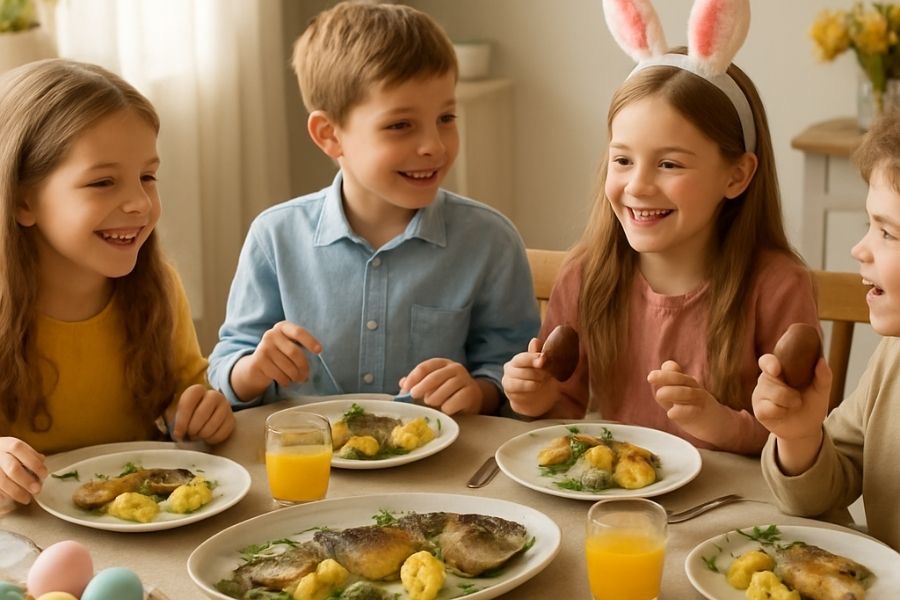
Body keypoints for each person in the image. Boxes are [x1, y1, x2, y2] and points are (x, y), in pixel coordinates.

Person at [502, 0, 817, 454]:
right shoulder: (587, 276)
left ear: (736, 176)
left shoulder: (778, 287)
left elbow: (800, 438)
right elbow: (562, 415)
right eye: (623, 160)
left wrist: (723, 426)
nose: (639, 185)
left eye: (669, 163)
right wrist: (535, 398)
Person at [207, 1, 538, 416]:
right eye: (400, 125)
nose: (433, 145)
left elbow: (513, 374)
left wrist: (478, 390)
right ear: (329, 135)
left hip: (440, 472)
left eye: (446, 117)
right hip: (308, 468)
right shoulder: (274, 237)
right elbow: (225, 366)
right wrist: (252, 369)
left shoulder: (490, 241)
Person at [0, 59, 235, 505]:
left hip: (137, 526)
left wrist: (201, 410)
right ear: (22, 202)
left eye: (147, 176)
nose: (138, 203)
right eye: (103, 182)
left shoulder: (158, 287)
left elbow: (185, 395)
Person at [754, 112, 900, 551]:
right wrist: (799, 437)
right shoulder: (892, 357)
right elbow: (823, 494)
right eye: (868, 226)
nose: (860, 249)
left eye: (888, 233)